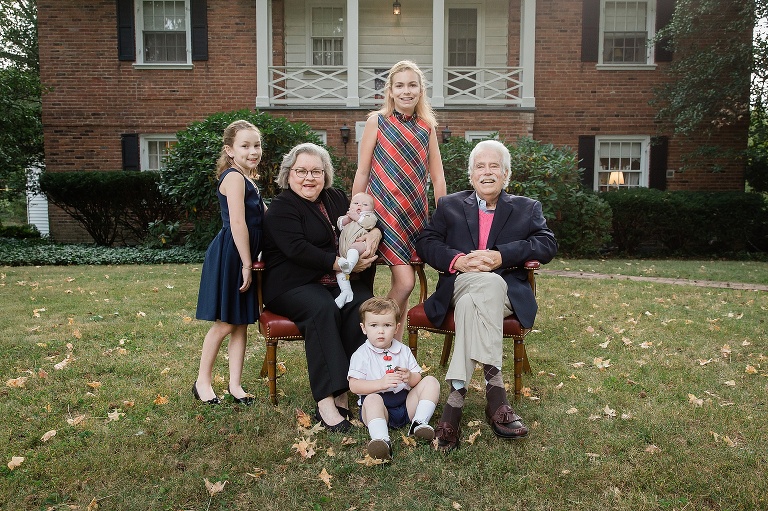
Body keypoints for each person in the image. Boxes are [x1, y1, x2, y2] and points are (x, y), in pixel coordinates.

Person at [415, 139, 558, 451]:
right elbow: (426, 242)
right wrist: (458, 260)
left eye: (494, 166)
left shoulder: (526, 208)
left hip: (504, 293)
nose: (487, 172)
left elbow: (547, 245)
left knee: (482, 294)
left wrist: (500, 256)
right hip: (459, 283)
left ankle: (454, 404)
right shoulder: (450, 205)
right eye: (480, 166)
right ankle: (496, 397)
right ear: (471, 175)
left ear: (506, 174)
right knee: (483, 287)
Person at [262, 143, 382, 432]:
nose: (309, 178)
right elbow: (297, 249)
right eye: (301, 171)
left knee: (361, 307)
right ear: (288, 174)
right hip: (293, 283)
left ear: (325, 174)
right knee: (322, 309)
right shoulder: (282, 207)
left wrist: (374, 235)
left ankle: (346, 391)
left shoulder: (337, 198)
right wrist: (342, 264)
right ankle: (326, 402)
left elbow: (363, 224)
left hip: (337, 282)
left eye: (316, 171)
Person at [352, 60, 447, 342]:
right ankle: (375, 337)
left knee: (402, 283)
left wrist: (444, 216)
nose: (407, 91)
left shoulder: (426, 127)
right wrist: (355, 210)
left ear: (421, 90)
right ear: (390, 91)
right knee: (405, 283)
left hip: (414, 216)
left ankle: (394, 348)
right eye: (400, 86)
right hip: (384, 216)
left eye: (412, 85)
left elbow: (438, 177)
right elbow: (363, 170)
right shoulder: (377, 122)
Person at [194, 120, 266, 406]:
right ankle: (202, 381)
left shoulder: (249, 179)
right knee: (225, 323)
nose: (253, 151)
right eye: (245, 146)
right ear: (230, 150)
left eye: (257, 145)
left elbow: (263, 217)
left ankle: (235, 385)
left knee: (240, 324)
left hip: (245, 253)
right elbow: (237, 222)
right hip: (233, 255)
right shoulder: (233, 177)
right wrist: (247, 264)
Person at [348, 297, 440, 460]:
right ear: (364, 328)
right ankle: (382, 440)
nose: (381, 331)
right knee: (372, 400)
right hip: (378, 410)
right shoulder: (361, 354)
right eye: (374, 325)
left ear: (397, 328)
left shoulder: (403, 350)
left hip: (405, 404)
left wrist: (410, 376)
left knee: (431, 381)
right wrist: (380, 383)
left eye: (387, 325)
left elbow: (416, 379)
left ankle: (419, 423)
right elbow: (354, 386)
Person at [335, 192, 378, 308]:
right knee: (339, 271)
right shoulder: (347, 217)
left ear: (372, 210)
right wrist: (348, 218)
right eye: (356, 203)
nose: (359, 206)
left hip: (359, 244)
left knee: (354, 248)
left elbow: (369, 224)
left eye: (365, 204)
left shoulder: (369, 217)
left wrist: (358, 218)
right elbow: (339, 223)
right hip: (344, 250)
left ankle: (349, 265)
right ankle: (346, 291)